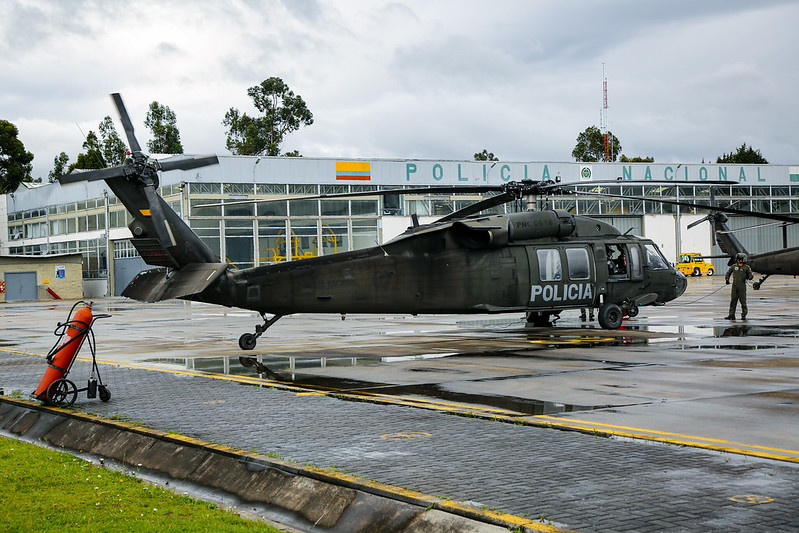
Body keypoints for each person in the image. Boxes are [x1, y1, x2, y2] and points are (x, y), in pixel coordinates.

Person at [724, 253, 754, 319]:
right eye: (738, 259)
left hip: (742, 286)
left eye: (740, 259)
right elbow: (728, 272)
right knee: (733, 301)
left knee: (743, 301)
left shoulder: (746, 267)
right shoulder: (734, 266)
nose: (738, 260)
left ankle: (744, 314)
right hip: (734, 286)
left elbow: (750, 275)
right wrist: (727, 279)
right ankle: (731, 314)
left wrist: (750, 277)